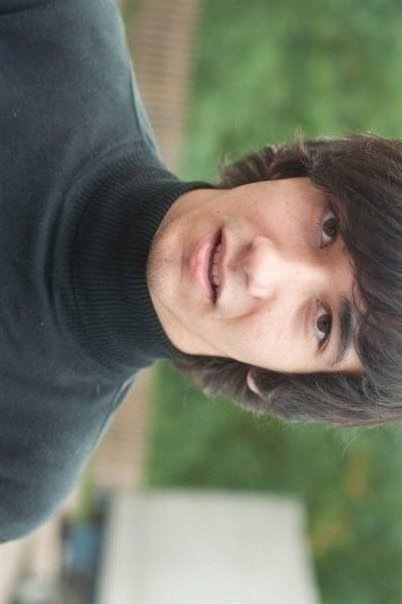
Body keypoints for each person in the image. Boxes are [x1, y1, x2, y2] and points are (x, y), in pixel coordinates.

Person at [0, 0, 400, 544]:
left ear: (275, 381)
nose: (262, 266)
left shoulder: (19, 471)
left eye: (323, 324)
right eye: (328, 227)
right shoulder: (53, 22)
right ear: (297, 172)